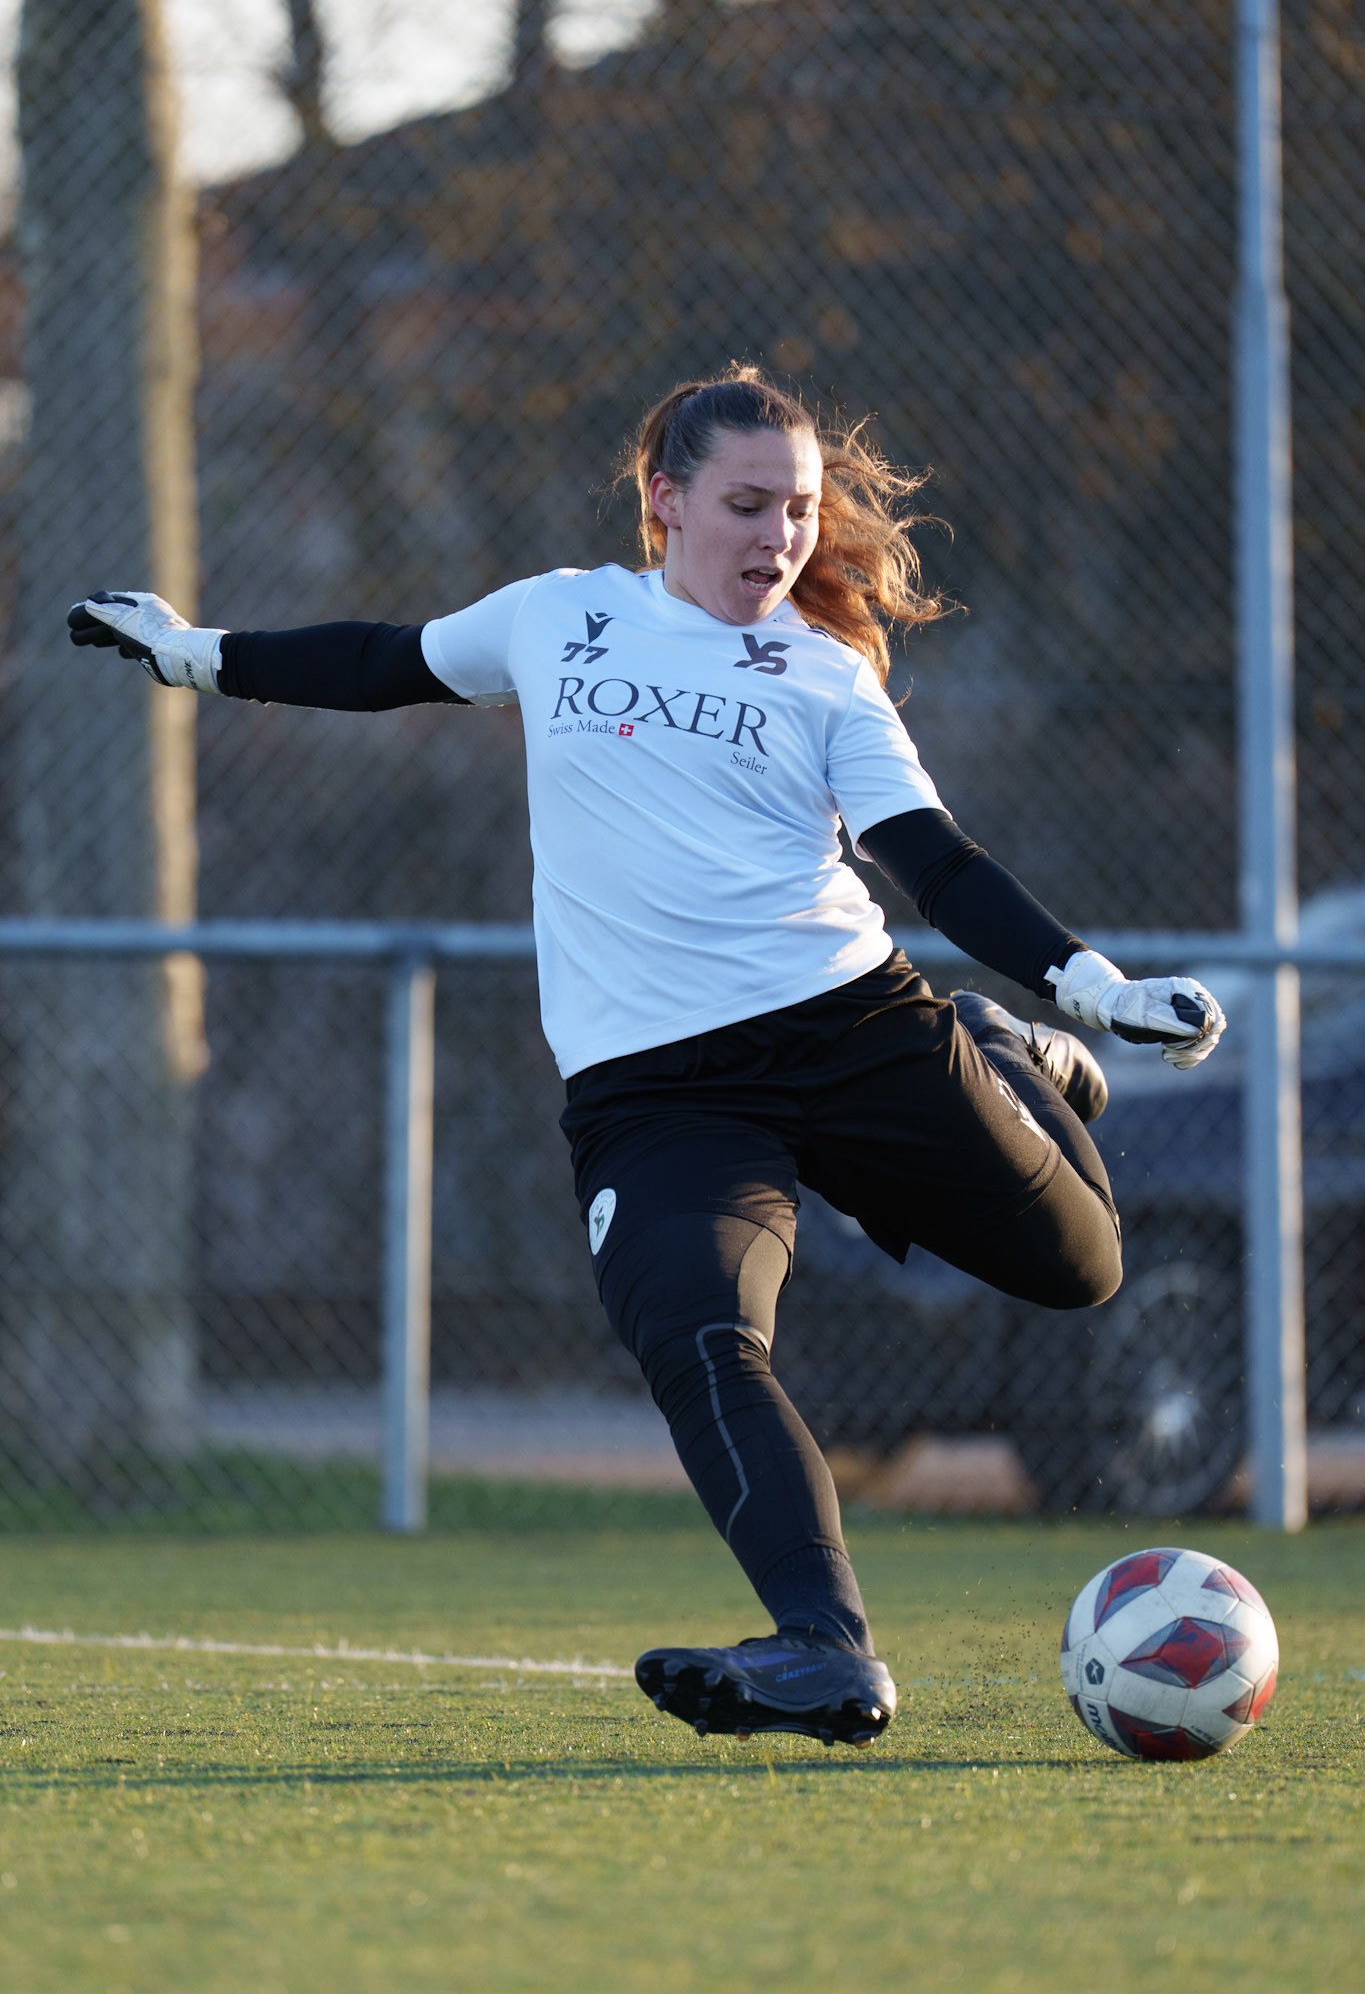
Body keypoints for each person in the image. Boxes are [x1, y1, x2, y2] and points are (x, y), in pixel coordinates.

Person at [70, 366, 1225, 1750]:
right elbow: (381, 662)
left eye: (795, 509)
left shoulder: (821, 673)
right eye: (746, 505)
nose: (779, 536)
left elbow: (936, 864)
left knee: (1079, 1269)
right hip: (657, 1092)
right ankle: (823, 1652)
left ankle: (1003, 1043)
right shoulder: (561, 616)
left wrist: (1089, 991)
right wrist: (192, 652)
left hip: (852, 1031)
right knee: (697, 1337)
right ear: (662, 501)